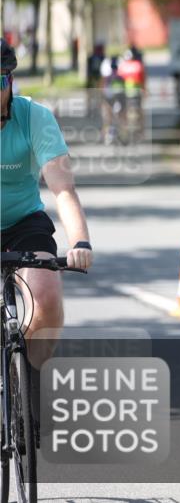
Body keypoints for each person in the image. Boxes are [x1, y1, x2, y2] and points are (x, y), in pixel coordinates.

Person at [0, 38, 93, 362]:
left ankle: (30, 382)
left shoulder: (34, 117)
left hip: (24, 221)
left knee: (48, 298)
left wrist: (80, 242)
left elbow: (63, 190)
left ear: (10, 81)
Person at [116, 48, 147, 140]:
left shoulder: (121, 66)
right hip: (136, 93)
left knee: (124, 112)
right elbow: (143, 80)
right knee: (139, 112)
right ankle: (141, 131)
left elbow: (118, 81)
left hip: (125, 94)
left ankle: (124, 131)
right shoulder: (138, 65)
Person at [99, 52, 126, 144]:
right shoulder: (120, 77)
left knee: (108, 119)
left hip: (109, 99)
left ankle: (107, 136)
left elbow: (103, 89)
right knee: (119, 118)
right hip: (119, 99)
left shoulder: (107, 77)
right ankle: (121, 135)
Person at [85, 40, 107, 116]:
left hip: (91, 77)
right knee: (99, 93)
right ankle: (97, 108)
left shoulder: (91, 57)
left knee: (90, 94)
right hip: (98, 77)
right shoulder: (103, 57)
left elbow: (88, 69)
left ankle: (89, 109)